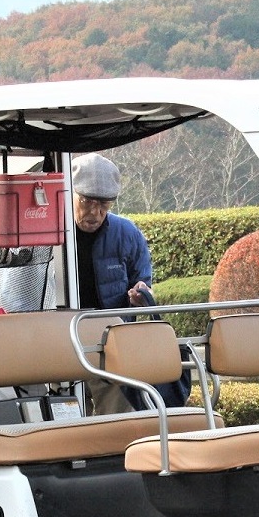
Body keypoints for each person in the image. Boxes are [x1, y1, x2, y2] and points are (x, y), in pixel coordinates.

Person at [71, 153, 157, 414]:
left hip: (109, 342)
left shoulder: (126, 232)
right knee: (63, 413)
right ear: (69, 194)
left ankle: (115, 456)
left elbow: (143, 282)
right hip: (60, 340)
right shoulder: (49, 232)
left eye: (104, 205)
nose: (95, 213)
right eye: (86, 202)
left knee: (117, 418)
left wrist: (140, 295)